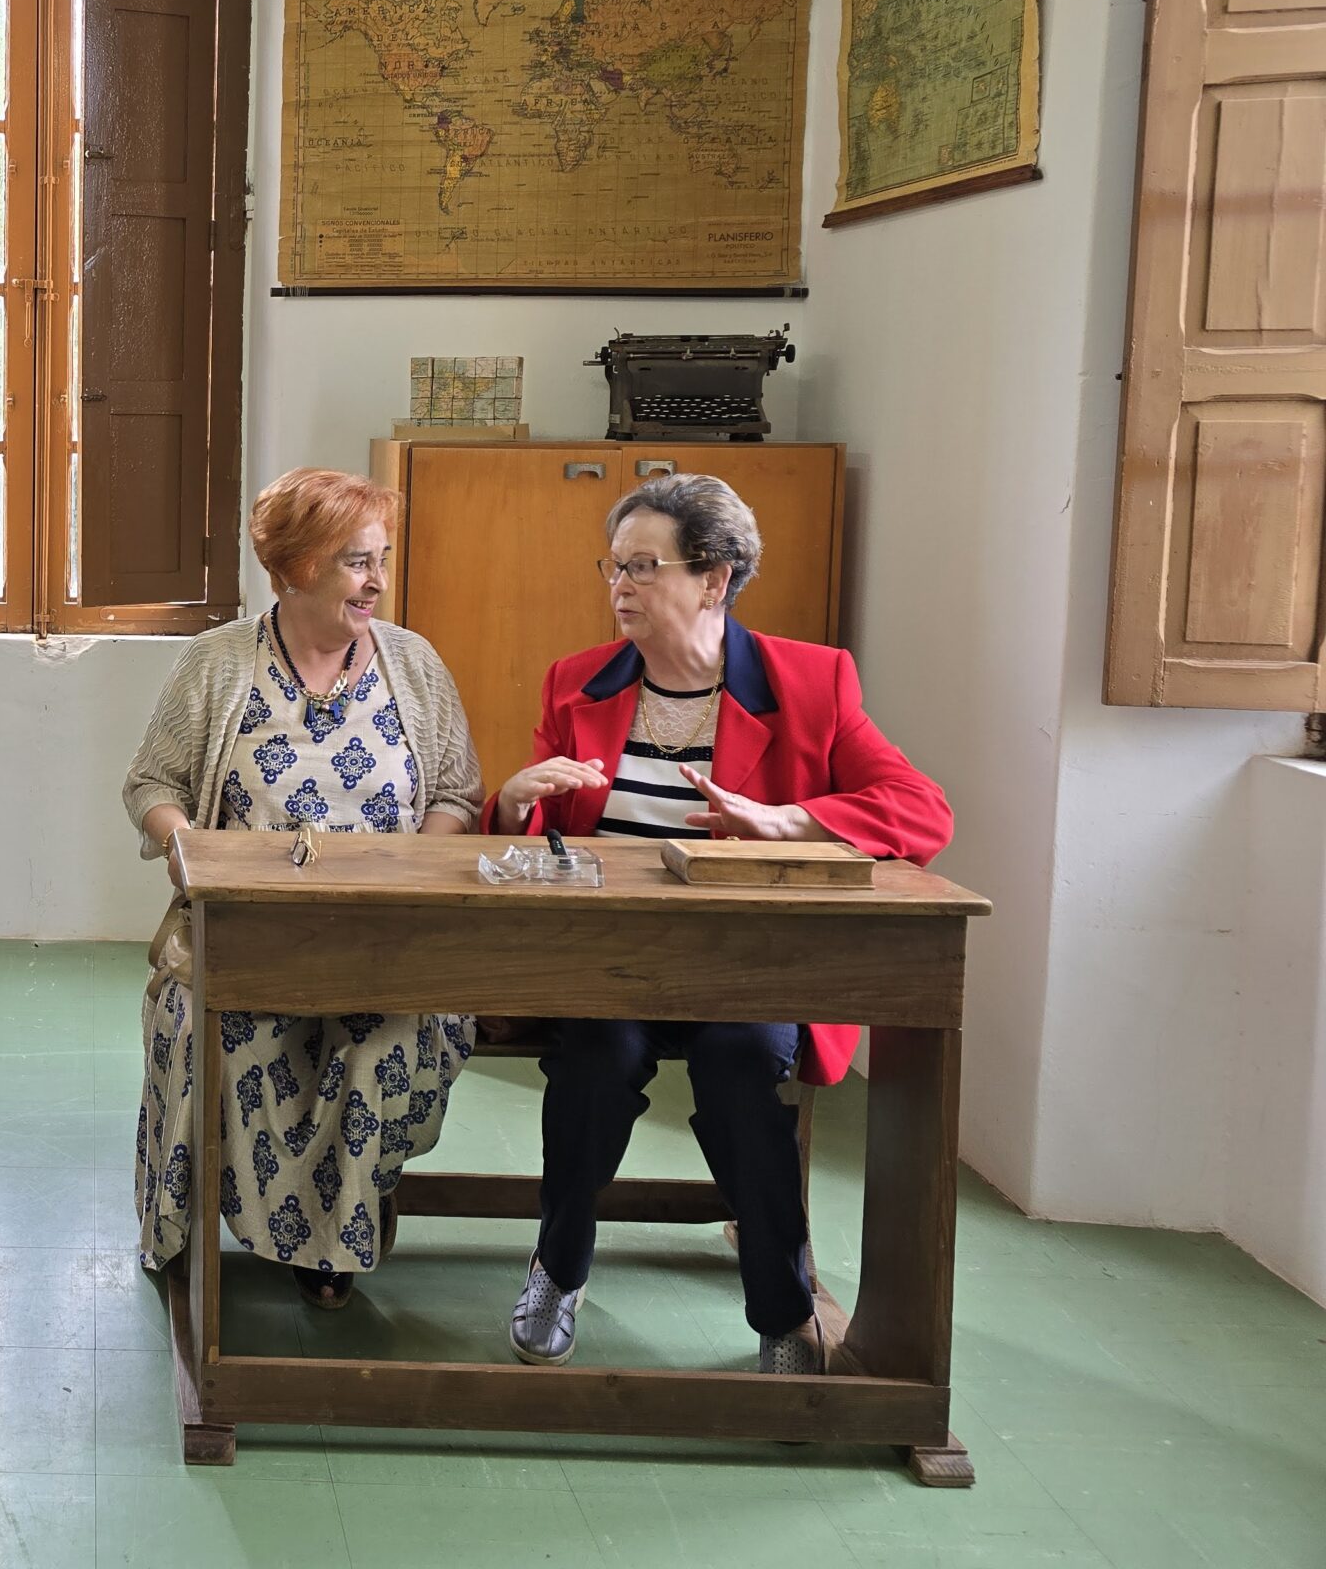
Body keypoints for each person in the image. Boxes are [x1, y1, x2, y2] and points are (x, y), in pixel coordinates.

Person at [487, 473, 953, 1373]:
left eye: (643, 567)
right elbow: (536, 842)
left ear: (715, 578)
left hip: (750, 964)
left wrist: (785, 821)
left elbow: (922, 810)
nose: (619, 586)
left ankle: (783, 1311)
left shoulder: (810, 681)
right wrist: (513, 803)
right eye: (613, 566)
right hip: (607, 964)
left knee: (741, 1063)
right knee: (595, 1060)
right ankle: (558, 1265)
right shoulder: (577, 682)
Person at [124, 468, 482, 1308]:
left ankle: (332, 1241)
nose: (378, 581)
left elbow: (457, 794)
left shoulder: (414, 664)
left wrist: (415, 881)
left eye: (381, 559)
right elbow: (151, 784)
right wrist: (187, 852)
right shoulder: (217, 663)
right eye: (358, 562)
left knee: (379, 1049)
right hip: (245, 940)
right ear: (294, 570)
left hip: (388, 946)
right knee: (226, 1035)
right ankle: (279, 1232)